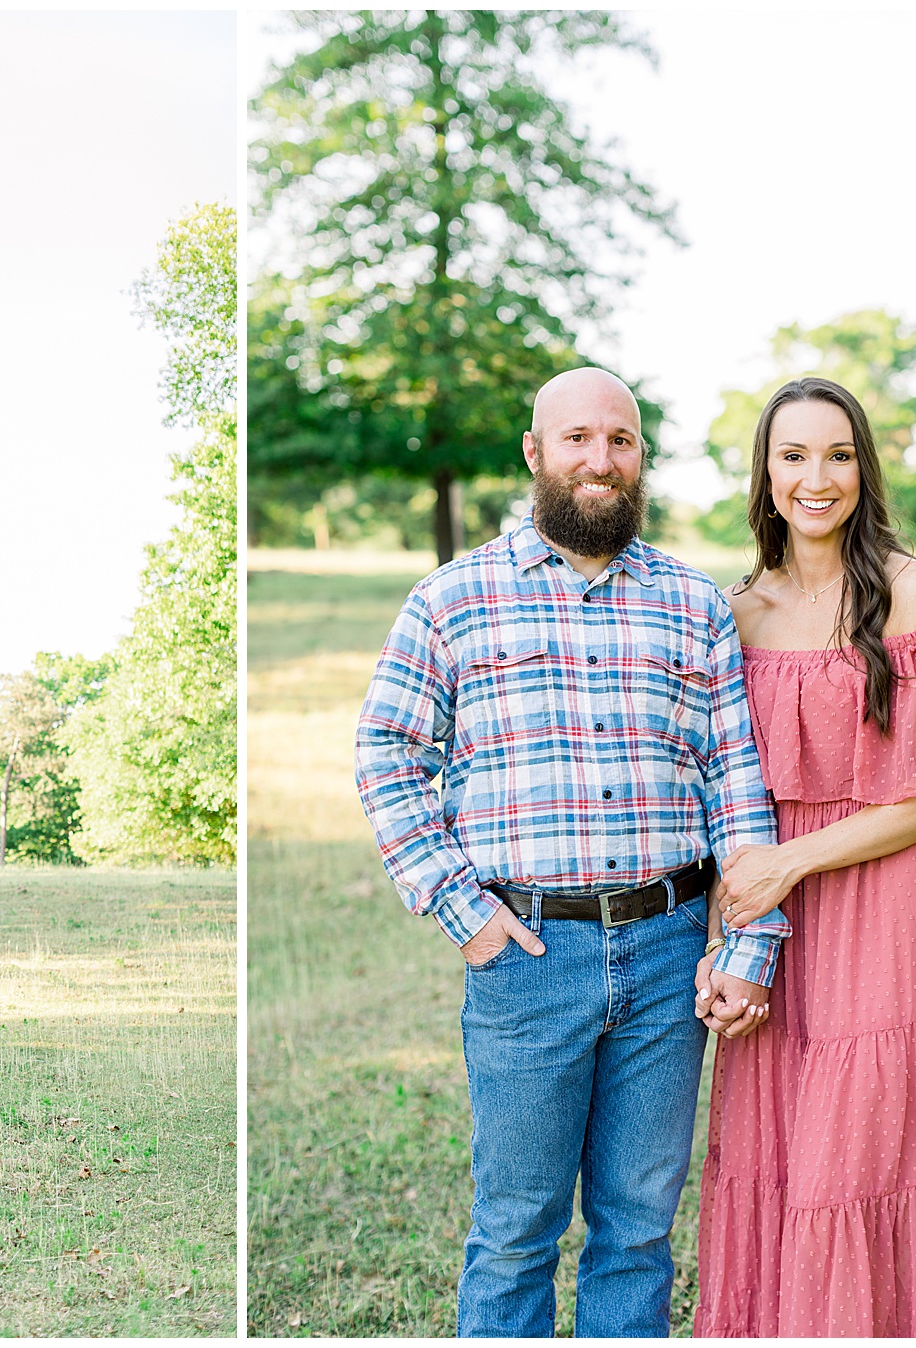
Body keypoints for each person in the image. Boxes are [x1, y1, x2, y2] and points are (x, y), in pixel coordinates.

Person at [356, 366, 787, 1338]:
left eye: (621, 440)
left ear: (640, 456)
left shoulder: (693, 602)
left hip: (674, 948)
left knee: (637, 1234)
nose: (601, 458)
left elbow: (737, 779)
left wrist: (751, 943)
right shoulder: (452, 600)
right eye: (579, 438)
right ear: (535, 454)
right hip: (528, 959)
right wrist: (463, 912)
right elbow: (386, 750)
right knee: (515, 1232)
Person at [691, 377, 916, 1338]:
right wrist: (727, 933)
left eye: (837, 455)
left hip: (884, 903)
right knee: (776, 1149)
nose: (816, 478)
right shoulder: (737, 609)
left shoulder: (910, 590)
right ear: (767, 474)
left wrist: (795, 863)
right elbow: (725, 796)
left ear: (863, 469)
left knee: (865, 1155)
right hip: (774, 920)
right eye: (794, 456)